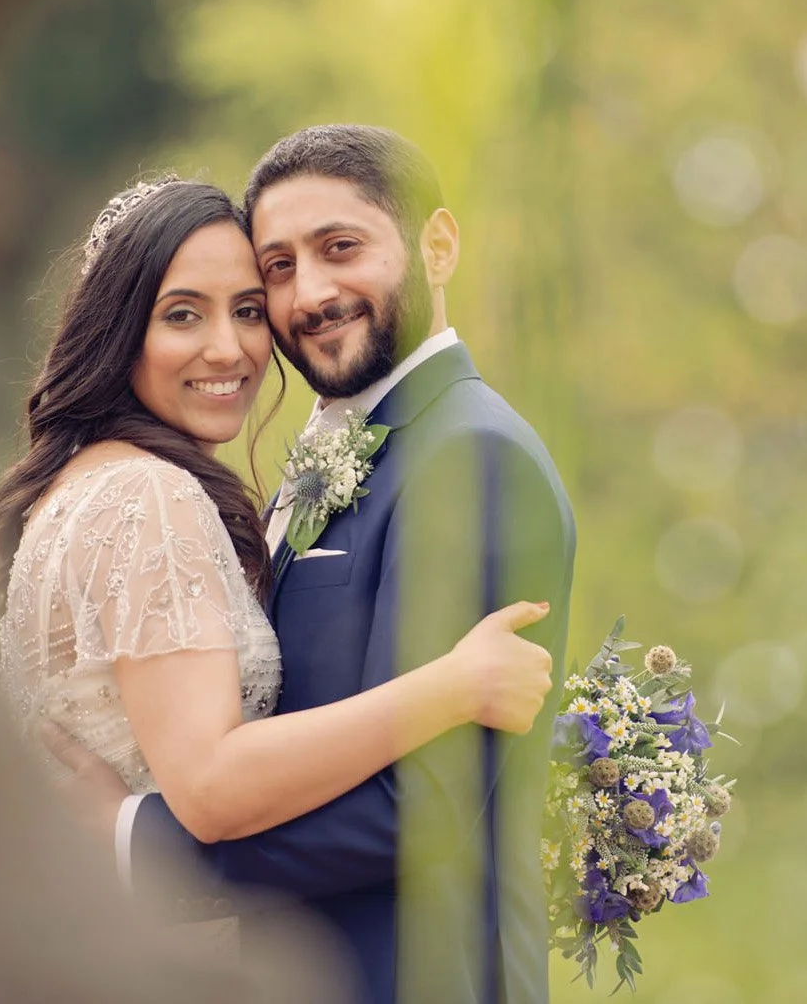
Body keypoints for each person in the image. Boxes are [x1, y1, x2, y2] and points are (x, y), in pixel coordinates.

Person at [59, 127, 576, 1004]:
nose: (313, 293)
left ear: (436, 244)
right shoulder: (326, 455)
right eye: (281, 268)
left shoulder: (473, 454)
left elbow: (422, 805)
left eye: (341, 248)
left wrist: (132, 844)